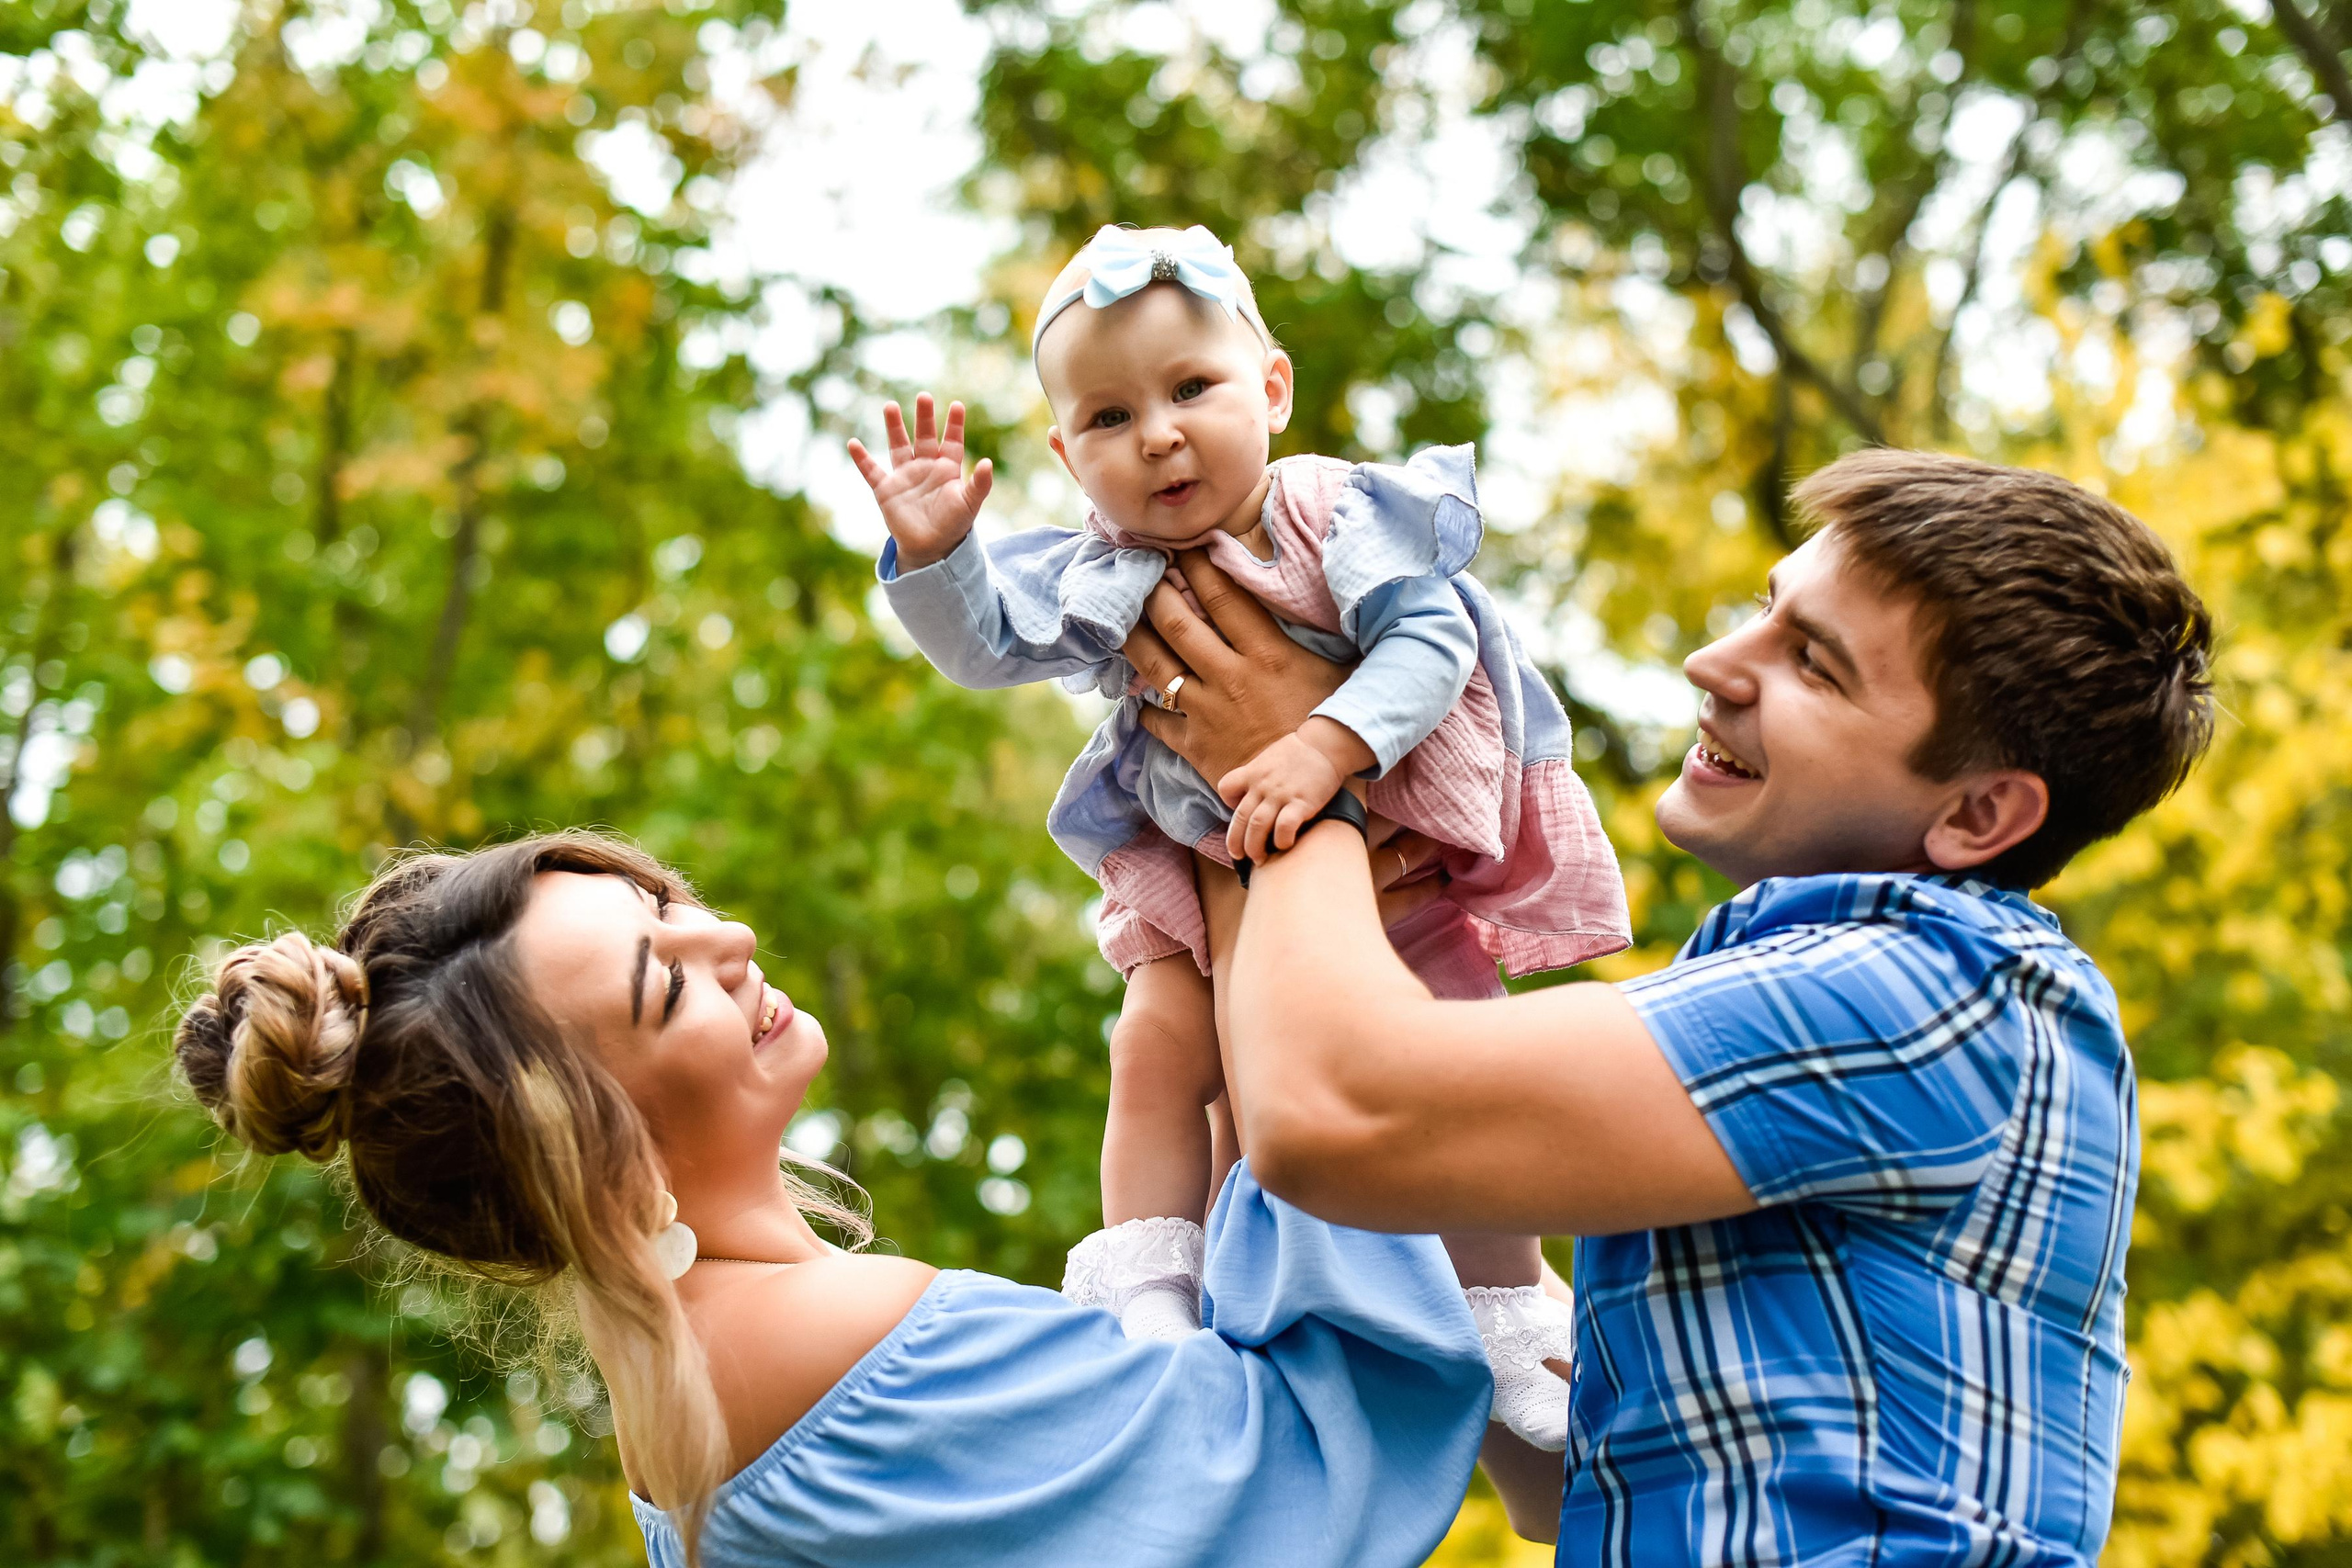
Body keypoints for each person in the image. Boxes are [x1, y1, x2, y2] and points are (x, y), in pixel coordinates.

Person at [1120, 450, 2214, 1563]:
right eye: (1763, 608)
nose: (1715, 661)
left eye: (1814, 666)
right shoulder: (1815, 1006)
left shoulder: (1935, 991)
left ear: (1980, 814)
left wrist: (1286, 778)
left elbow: (1330, 1116)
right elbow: (1560, 1479)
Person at [169, 831, 1505, 1568]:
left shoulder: (701, 1384)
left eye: (667, 902)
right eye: (665, 980)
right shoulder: (822, 1345)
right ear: (604, 1159)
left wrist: (1189, 1104)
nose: (728, 938)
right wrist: (1280, 887)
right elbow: (1302, 1455)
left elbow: (1167, 1427)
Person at [847, 226, 1623, 1442]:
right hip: (1191, 876)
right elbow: (985, 645)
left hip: (1387, 867)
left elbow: (1434, 642)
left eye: (1190, 388)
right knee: (1156, 1053)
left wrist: (1327, 744)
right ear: (1064, 454)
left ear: (1271, 387)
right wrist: (941, 553)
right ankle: (1152, 1283)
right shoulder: (1108, 568)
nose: (1155, 431)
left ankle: (1508, 1310)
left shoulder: (1337, 511)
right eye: (1107, 416)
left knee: (1460, 1069)